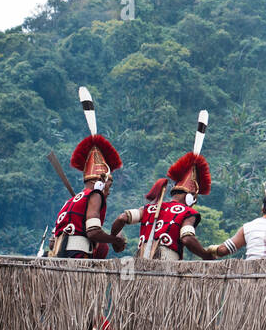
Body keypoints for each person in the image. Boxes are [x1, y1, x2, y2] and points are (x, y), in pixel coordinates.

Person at [52, 112, 126, 259]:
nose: (108, 192)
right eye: (108, 187)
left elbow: (51, 243)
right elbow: (93, 232)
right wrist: (116, 240)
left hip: (58, 258)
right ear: (100, 183)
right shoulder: (95, 195)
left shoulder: (70, 202)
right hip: (77, 259)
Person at [132, 148, 217, 261]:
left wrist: (116, 240)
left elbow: (122, 218)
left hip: (140, 261)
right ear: (190, 197)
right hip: (167, 262)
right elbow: (187, 238)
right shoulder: (188, 212)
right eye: (194, 200)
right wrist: (206, 255)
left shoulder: (149, 208)